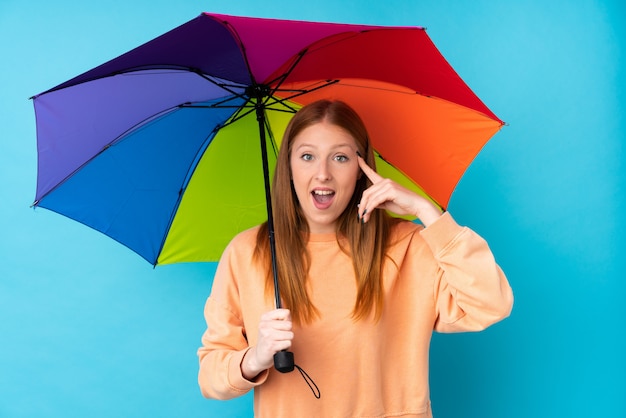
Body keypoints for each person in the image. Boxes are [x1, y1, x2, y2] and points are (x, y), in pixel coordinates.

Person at [197, 99, 513, 417]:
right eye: (307, 156)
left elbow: (491, 303)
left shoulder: (408, 246)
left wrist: (427, 213)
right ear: (288, 168)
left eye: (340, 158)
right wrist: (255, 358)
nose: (323, 174)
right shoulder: (247, 252)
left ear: (362, 170)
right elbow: (211, 377)